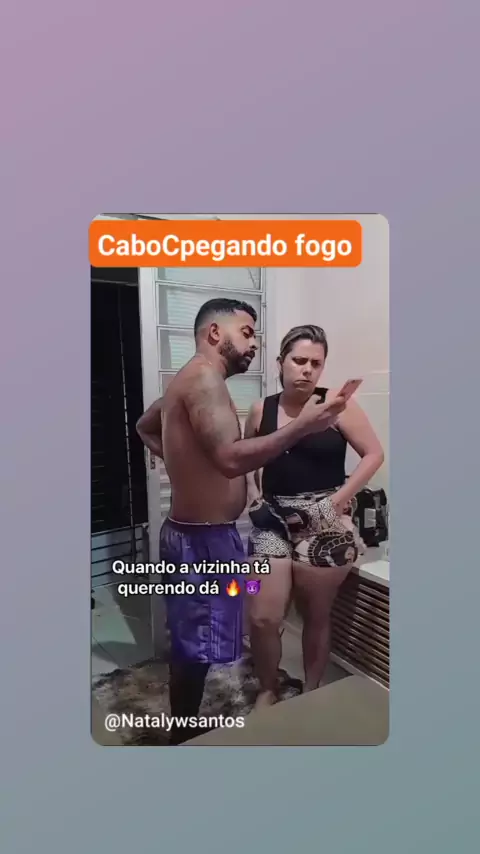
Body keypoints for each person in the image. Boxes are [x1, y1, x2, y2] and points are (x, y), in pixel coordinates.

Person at [136, 300, 348, 743]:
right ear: (215, 333)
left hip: (204, 536)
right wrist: (302, 427)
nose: (254, 343)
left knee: (197, 645)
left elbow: (144, 426)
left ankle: (186, 727)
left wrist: (181, 463)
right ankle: (183, 739)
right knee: (194, 652)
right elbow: (232, 460)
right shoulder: (203, 379)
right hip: (200, 542)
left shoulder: (193, 379)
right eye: (247, 332)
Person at [244, 324, 384, 709]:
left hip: (323, 522)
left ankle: (311, 689)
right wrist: (254, 497)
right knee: (262, 616)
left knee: (316, 616)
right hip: (272, 519)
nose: (307, 369)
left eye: (316, 363)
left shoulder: (337, 405)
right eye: (299, 360)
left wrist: (337, 501)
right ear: (281, 362)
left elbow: (374, 454)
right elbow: (247, 458)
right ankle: (268, 688)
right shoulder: (261, 409)